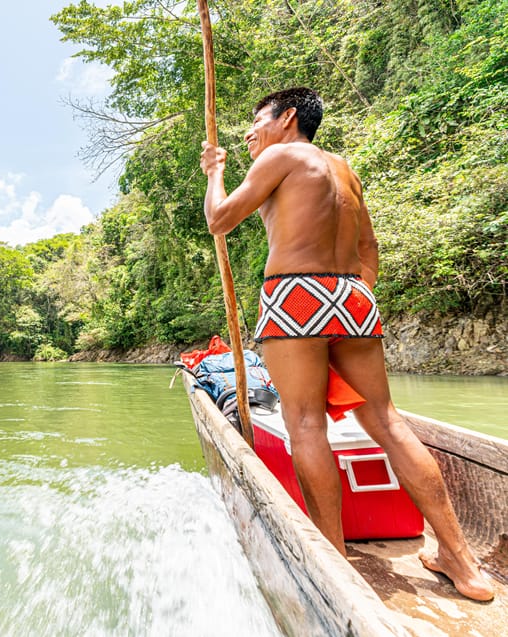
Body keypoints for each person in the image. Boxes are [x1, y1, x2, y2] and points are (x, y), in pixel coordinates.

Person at [199, 87, 495, 602]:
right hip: (353, 296)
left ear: (288, 118)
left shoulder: (282, 155)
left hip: (295, 293)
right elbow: (368, 247)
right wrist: (348, 297)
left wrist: (214, 172)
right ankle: (461, 561)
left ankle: (333, 564)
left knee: (307, 423)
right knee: (385, 419)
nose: (249, 132)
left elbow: (219, 219)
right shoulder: (344, 168)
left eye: (256, 121)